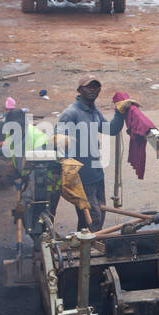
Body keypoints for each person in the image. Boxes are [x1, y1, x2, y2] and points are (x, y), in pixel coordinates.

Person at [55, 77, 123, 230]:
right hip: (81, 176)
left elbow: (110, 129)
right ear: (79, 90)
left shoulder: (93, 111)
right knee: (93, 217)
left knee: (99, 213)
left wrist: (120, 113)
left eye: (96, 87)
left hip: (96, 172)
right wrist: (66, 164)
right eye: (89, 87)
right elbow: (58, 139)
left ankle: (86, 246)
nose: (93, 90)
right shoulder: (71, 113)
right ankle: (88, 248)